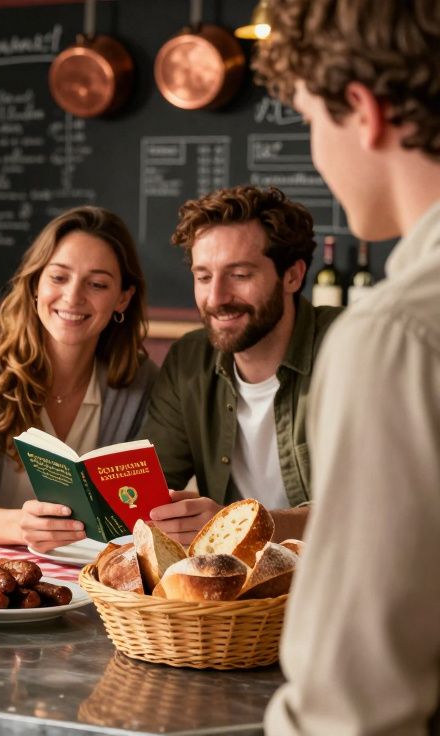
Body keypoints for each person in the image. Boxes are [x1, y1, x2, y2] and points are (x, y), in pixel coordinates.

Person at [253, 2, 440, 733]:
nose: (315, 152)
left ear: (364, 112)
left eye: (309, 119)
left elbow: (353, 709)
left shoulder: (395, 335)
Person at [0, 206, 157, 552]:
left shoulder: (139, 382)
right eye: (58, 277)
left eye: (97, 284)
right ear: (35, 284)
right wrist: (18, 526)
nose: (73, 297)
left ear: (123, 297)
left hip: (87, 589)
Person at [139, 185, 341, 545]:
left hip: (338, 577)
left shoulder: (350, 349)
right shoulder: (190, 359)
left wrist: (238, 523)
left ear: (292, 276)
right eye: (203, 277)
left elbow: (364, 504)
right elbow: (150, 484)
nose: (215, 298)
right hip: (235, 585)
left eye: (240, 275)